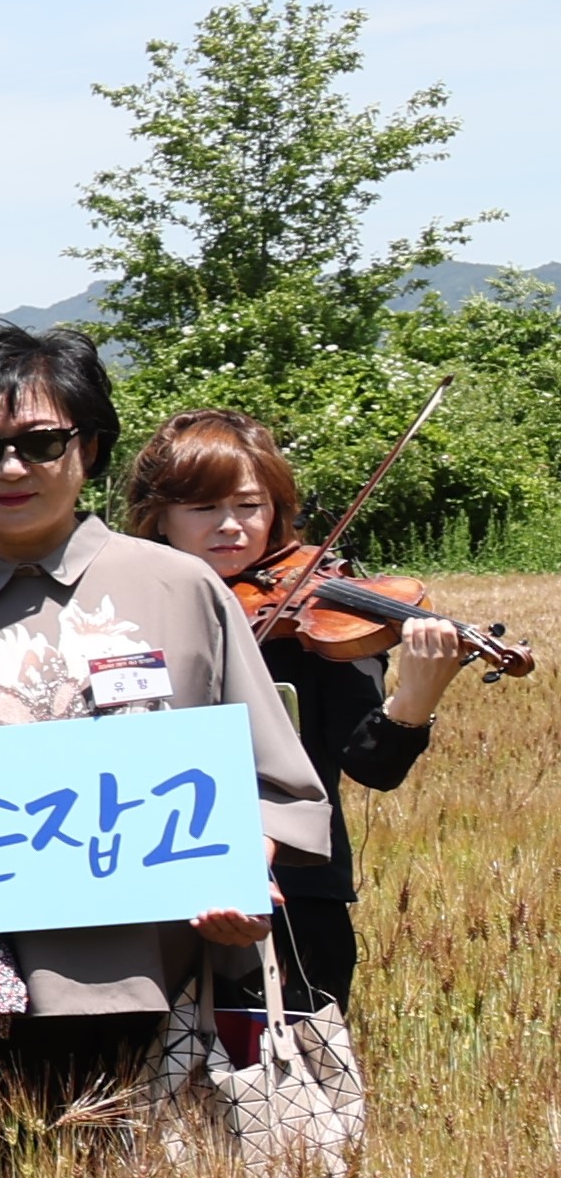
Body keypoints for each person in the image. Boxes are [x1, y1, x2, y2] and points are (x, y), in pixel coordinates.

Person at [0, 326, 327, 1155]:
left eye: (40, 442)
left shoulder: (179, 585)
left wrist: (246, 866)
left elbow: (278, 784)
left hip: (174, 977)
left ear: (89, 446)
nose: (11, 469)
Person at [125, 408, 481, 1017]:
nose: (232, 527)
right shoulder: (122, 612)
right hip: (142, 879)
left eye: (249, 506)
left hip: (293, 890)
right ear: (158, 518)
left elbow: (372, 767)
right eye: (204, 508)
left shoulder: (316, 625)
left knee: (294, 1089)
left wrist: (416, 698)